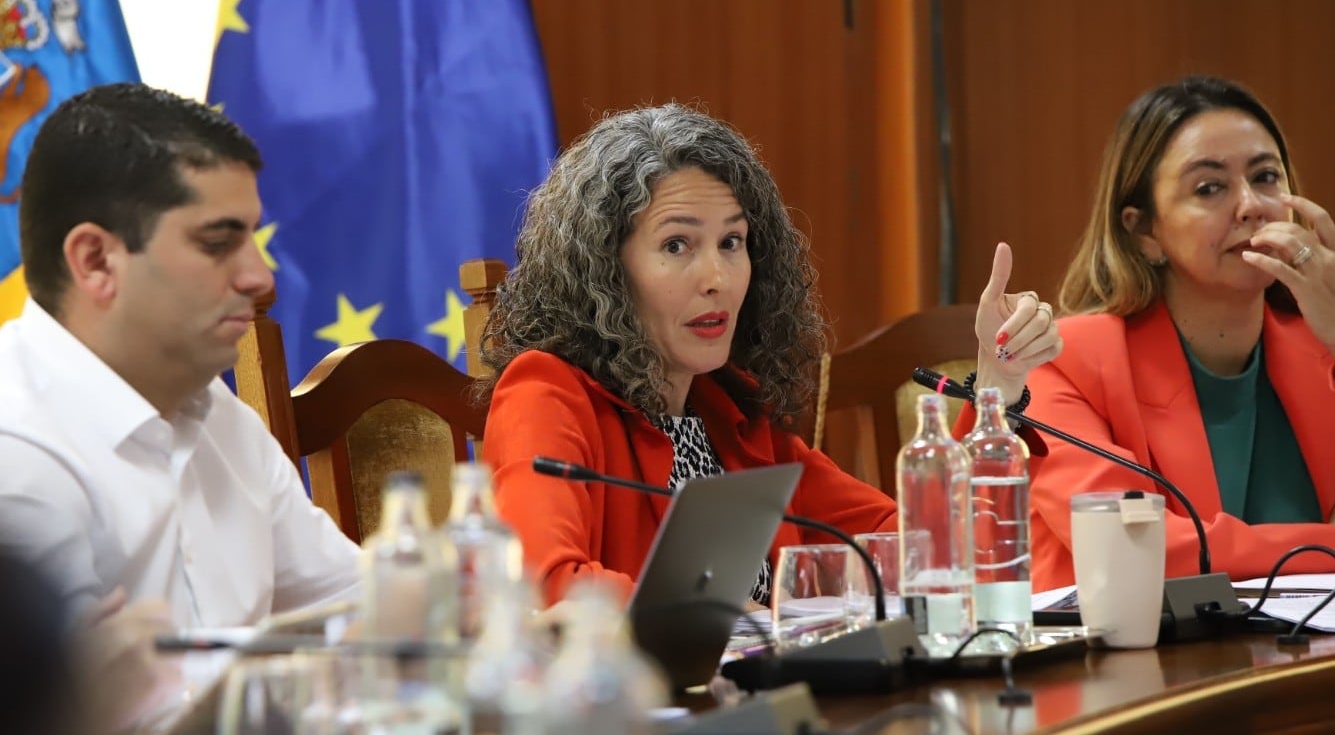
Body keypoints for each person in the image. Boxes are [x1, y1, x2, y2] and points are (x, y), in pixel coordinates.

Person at [479, 104, 1063, 606]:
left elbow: (923, 546)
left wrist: (996, 381)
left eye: (732, 242)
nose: (718, 277)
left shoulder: (732, 420)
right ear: (604, 270)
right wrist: (731, 621)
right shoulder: (545, 395)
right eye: (677, 244)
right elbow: (546, 587)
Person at [0, 83, 360, 630]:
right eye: (218, 243)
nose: (260, 278)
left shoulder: (213, 408)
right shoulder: (16, 451)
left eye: (253, 239)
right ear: (96, 261)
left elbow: (355, 608)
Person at [1028, 76, 1335, 592]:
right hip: (1128, 665)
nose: (1250, 205)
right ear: (1144, 232)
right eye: (1209, 187)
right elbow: (1135, 549)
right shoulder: (1058, 364)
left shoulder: (1318, 344)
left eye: (1265, 177)